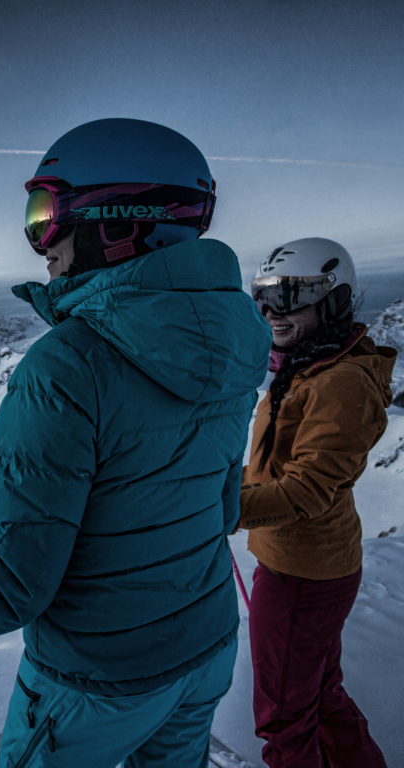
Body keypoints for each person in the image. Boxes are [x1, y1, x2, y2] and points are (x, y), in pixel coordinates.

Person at [0, 118, 272, 767]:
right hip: (206, 653)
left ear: (117, 220)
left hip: (94, 685)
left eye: (46, 212)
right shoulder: (238, 339)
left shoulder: (68, 368)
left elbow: (6, 594)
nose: (41, 243)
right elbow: (222, 510)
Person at [240, 237, 396, 768]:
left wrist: (219, 507)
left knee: (284, 715)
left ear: (333, 299)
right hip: (308, 565)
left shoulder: (340, 382)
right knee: (318, 697)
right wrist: (218, 482)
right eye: (264, 297)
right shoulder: (309, 368)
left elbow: (307, 489)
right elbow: (275, 469)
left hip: (301, 574)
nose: (271, 312)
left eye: (290, 297)